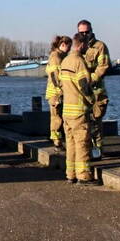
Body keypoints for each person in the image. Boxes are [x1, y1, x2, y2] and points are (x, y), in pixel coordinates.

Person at [60, 32, 97, 184]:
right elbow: (84, 86)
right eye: (87, 45)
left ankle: (71, 174)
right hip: (79, 110)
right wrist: (92, 100)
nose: (87, 48)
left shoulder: (65, 61)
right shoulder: (79, 62)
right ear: (82, 45)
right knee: (82, 143)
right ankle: (83, 176)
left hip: (66, 111)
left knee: (70, 144)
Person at [78, 19, 110, 158]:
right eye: (81, 32)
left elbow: (103, 66)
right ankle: (86, 151)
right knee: (82, 123)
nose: (85, 35)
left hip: (96, 91)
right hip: (80, 92)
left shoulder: (100, 46)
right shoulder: (77, 48)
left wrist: (89, 80)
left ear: (91, 31)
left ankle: (98, 151)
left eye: (87, 32)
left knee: (95, 123)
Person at [45, 35, 72, 150]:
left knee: (59, 117)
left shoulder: (60, 55)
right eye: (68, 47)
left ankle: (59, 139)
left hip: (58, 92)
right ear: (63, 45)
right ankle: (57, 141)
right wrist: (60, 91)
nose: (69, 50)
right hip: (56, 94)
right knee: (57, 118)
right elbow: (55, 76)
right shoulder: (56, 57)